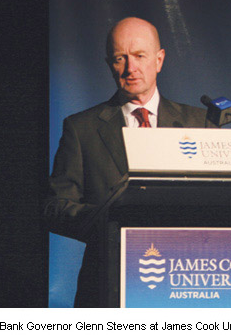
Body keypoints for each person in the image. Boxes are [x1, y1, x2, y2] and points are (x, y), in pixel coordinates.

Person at [45, 17, 215, 307]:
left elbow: (219, 200)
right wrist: (109, 222)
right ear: (109, 64)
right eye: (119, 58)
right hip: (107, 285)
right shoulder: (81, 128)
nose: (130, 68)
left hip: (186, 282)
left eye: (139, 56)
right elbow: (56, 207)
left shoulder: (199, 124)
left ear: (159, 60)